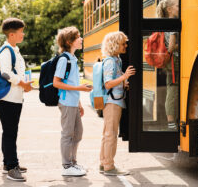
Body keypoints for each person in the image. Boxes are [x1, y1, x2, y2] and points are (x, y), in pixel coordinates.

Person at [0, 18, 33, 182]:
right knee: (10, 133)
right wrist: (23, 83)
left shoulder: (14, 50)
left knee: (10, 132)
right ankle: (12, 167)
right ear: (11, 34)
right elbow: (5, 73)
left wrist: (24, 84)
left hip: (14, 98)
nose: (23, 34)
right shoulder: (6, 51)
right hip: (8, 98)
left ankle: (8, 163)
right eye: (20, 32)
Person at [53, 27, 92, 176]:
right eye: (78, 37)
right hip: (66, 102)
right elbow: (56, 82)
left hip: (73, 102)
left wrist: (79, 103)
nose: (81, 39)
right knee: (68, 133)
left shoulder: (73, 59)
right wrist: (79, 88)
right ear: (69, 41)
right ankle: (66, 165)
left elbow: (73, 82)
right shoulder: (64, 59)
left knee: (78, 133)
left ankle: (73, 163)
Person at [99, 31, 136, 176]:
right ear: (115, 45)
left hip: (115, 100)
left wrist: (123, 82)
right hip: (112, 102)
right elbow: (108, 83)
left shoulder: (116, 60)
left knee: (108, 133)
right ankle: (109, 166)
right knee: (111, 134)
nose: (126, 46)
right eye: (123, 43)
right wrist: (125, 76)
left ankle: (104, 163)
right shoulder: (110, 61)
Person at [156, 0, 179, 130]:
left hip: (170, 61)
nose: (179, 8)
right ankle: (171, 123)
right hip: (174, 60)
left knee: (171, 88)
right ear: (170, 9)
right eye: (177, 6)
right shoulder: (173, 23)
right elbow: (171, 46)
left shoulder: (166, 22)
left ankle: (171, 121)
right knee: (173, 90)